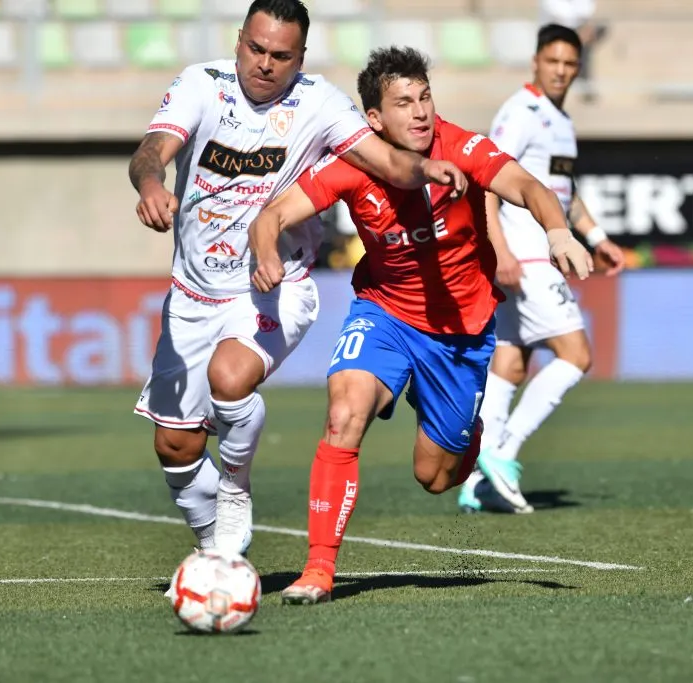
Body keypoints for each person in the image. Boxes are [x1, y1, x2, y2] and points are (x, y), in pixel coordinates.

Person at [247, 46, 594, 605]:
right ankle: (318, 570)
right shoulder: (351, 163)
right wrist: (266, 251)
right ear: (374, 119)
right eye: (404, 102)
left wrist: (557, 231)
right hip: (384, 312)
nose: (420, 111)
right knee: (344, 412)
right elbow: (274, 214)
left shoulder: (462, 147)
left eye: (425, 97)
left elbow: (530, 187)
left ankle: (467, 436)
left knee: (434, 477)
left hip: (460, 333)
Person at [127, 0, 466, 557]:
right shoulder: (200, 85)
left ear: (300, 58)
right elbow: (151, 151)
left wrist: (426, 168)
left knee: (229, 376)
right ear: (239, 40)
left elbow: (385, 161)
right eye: (256, 48)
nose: (264, 63)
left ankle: (235, 488)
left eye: (280, 55)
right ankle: (217, 557)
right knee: (175, 446)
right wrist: (150, 184)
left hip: (276, 285)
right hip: (191, 293)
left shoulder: (319, 103)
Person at [458, 24, 625, 515]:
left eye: (569, 63)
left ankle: (475, 481)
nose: (560, 71)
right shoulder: (521, 112)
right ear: (535, 62)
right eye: (552, 61)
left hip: (531, 255)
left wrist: (597, 238)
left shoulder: (560, 120)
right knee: (576, 355)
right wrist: (499, 249)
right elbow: (487, 179)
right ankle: (502, 453)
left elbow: (563, 194)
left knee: (510, 363)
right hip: (527, 255)